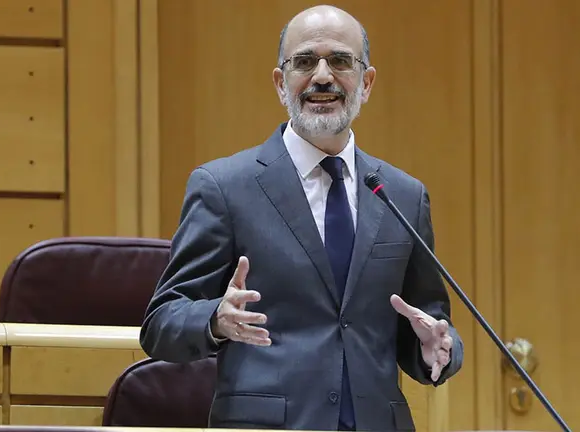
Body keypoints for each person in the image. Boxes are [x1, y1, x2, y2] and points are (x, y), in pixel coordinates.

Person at [139, 5, 464, 431]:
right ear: (280, 83)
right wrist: (215, 318)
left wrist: (436, 348)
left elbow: (426, 315)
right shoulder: (224, 187)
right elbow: (162, 321)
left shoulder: (402, 195)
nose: (323, 76)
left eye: (341, 61)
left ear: (366, 83)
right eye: (305, 62)